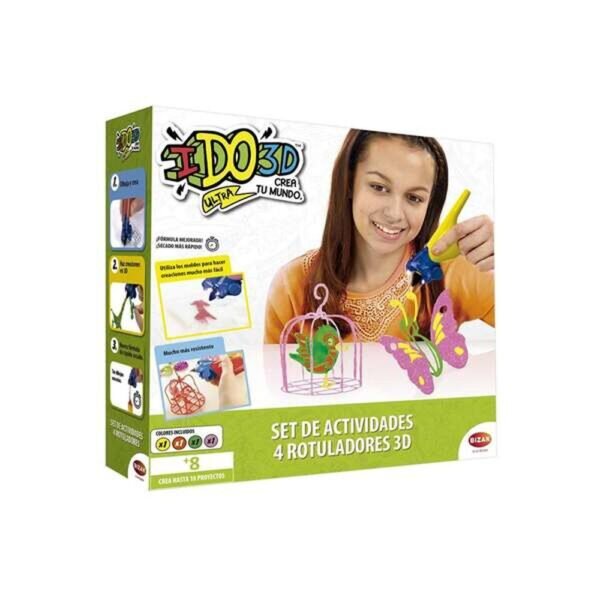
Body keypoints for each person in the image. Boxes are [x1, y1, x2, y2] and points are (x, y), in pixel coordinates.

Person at [264, 129, 494, 343]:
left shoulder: (453, 271)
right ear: (349, 182)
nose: (394, 214)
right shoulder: (292, 285)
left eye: (414, 198)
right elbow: (270, 374)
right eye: (379, 187)